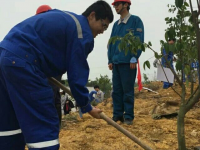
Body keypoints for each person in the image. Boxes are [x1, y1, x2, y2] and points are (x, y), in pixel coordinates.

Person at [0, 1, 113, 150]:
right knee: (43, 124)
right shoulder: (81, 32)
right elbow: (76, 76)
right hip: (24, 62)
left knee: (10, 123)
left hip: (4, 57)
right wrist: (87, 106)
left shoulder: (66, 18)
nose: (103, 31)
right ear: (92, 16)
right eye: (103, 25)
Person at [108, 0, 144, 125]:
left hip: (129, 63)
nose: (115, 7)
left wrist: (134, 57)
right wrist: (110, 59)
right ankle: (117, 115)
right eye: (114, 5)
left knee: (127, 90)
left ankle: (128, 116)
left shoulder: (135, 21)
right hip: (116, 62)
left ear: (125, 5)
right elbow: (111, 43)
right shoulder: (116, 25)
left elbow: (139, 41)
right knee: (116, 91)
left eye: (117, 5)